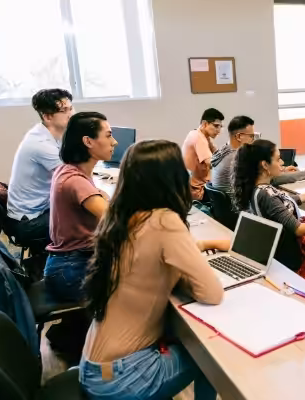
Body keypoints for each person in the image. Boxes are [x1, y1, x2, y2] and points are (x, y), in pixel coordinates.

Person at [80, 140, 227, 400]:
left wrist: (201, 245)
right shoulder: (164, 220)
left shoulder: (119, 214)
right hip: (122, 377)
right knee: (212, 355)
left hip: (95, 367)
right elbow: (212, 293)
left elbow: (147, 257)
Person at [232, 139, 305, 295]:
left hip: (280, 251)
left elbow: (286, 203)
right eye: (278, 158)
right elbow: (298, 229)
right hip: (295, 255)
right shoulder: (267, 195)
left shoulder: (258, 189)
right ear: (265, 165)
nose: (282, 162)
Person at [45, 112, 116, 302]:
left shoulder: (68, 170)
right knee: (145, 281)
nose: (114, 142)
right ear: (88, 141)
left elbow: (104, 201)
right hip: (71, 271)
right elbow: (114, 220)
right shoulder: (76, 180)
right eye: (108, 135)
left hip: (66, 265)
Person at [5, 88, 74, 246]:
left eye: (71, 108)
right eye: (64, 111)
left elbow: (71, 166)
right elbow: (72, 179)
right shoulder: (40, 143)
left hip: (38, 211)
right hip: (28, 223)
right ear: (47, 116)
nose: (71, 114)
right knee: (84, 214)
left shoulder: (50, 134)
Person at [211, 115, 305, 195]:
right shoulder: (237, 158)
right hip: (240, 212)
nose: (253, 140)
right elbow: (270, 179)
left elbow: (260, 174)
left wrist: (281, 170)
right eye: (251, 136)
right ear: (239, 136)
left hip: (226, 212)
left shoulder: (223, 151)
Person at [183, 108, 224, 202]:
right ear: (205, 124)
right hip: (198, 192)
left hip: (196, 188)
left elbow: (218, 155)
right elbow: (212, 163)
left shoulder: (201, 135)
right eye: (216, 126)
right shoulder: (198, 138)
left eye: (220, 127)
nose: (218, 131)